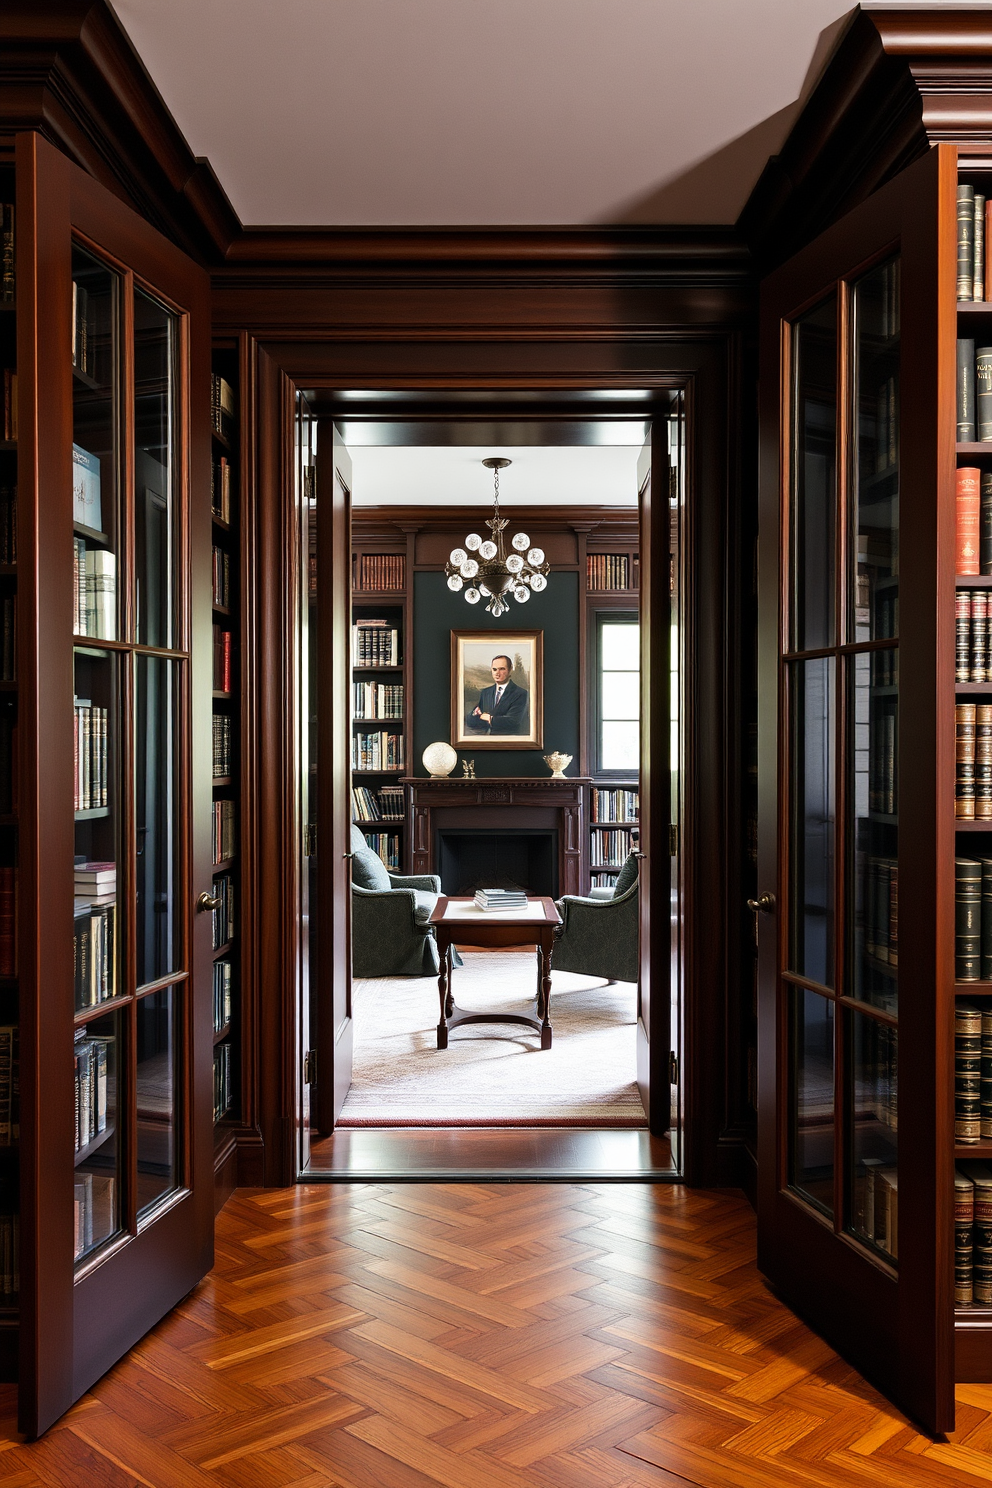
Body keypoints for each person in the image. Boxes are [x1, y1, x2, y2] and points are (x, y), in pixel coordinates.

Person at [469, 654, 529, 735]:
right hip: (486, 740)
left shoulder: (520, 693)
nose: (497, 673)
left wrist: (490, 719)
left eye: (502, 669)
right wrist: (475, 714)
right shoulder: (486, 692)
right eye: (494, 669)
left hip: (509, 741)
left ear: (510, 670)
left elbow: (514, 721)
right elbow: (471, 721)